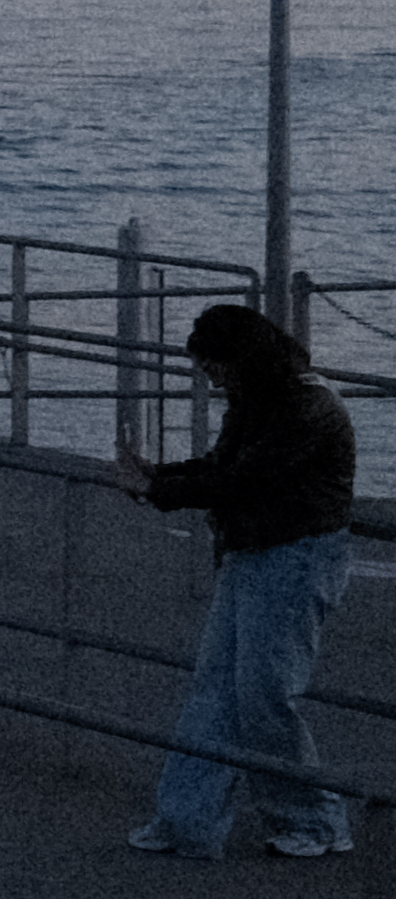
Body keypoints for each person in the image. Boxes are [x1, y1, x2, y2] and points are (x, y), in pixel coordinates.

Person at [127, 303, 361, 859]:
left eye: (215, 368)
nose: (213, 379)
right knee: (218, 689)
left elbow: (241, 480)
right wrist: (158, 475)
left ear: (241, 361)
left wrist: (156, 488)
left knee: (263, 694)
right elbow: (222, 467)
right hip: (256, 551)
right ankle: (188, 820)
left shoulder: (308, 407)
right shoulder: (263, 400)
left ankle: (316, 818)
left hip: (297, 557)